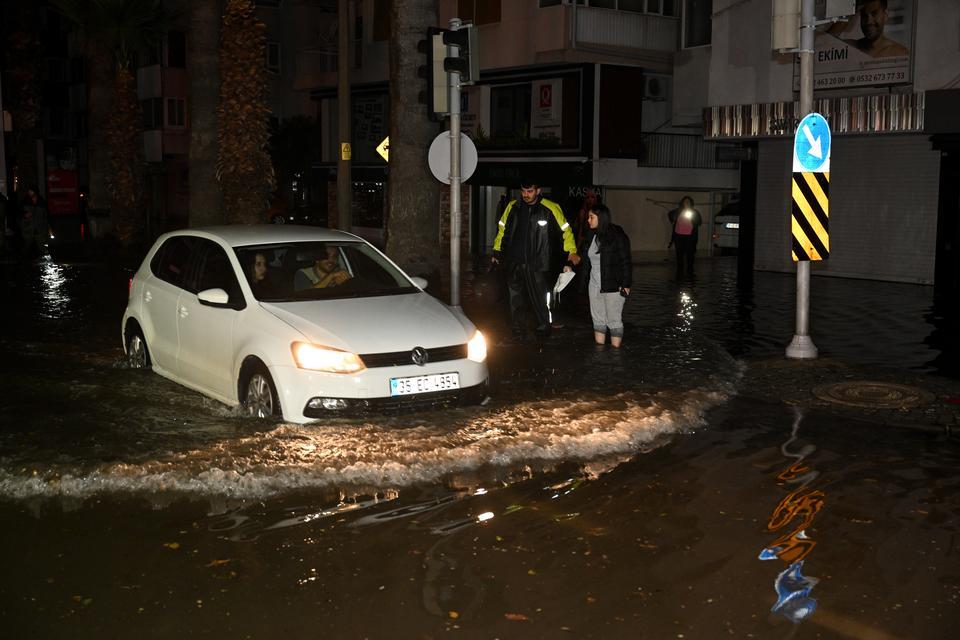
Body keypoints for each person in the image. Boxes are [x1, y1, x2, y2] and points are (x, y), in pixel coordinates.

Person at [492, 180, 580, 337]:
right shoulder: (513, 207)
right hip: (514, 262)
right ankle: (518, 329)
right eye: (523, 191)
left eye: (530, 191)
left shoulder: (551, 208)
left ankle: (543, 328)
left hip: (538, 264)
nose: (526, 195)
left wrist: (571, 252)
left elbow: (566, 231)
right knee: (515, 299)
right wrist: (496, 252)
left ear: (538, 191)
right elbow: (502, 229)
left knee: (540, 298)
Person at [570, 204, 632, 347]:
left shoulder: (617, 234)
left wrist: (626, 284)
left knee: (613, 319)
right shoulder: (591, 235)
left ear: (601, 218)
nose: (588, 220)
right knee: (598, 319)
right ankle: (600, 354)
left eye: (591, 217)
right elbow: (581, 256)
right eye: (588, 217)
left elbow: (626, 261)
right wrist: (570, 265)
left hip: (613, 285)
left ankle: (615, 355)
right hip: (594, 285)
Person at [844, 0, 908, 58]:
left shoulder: (900, 53)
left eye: (874, 13)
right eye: (864, 15)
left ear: (885, 15)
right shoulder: (847, 47)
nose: (868, 21)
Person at [667, 195, 702, 279]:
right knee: (679, 255)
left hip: (690, 237)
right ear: (682, 203)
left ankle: (690, 272)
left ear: (691, 203)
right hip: (678, 236)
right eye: (685, 201)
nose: (686, 203)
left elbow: (699, 222)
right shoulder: (679, 211)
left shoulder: (694, 212)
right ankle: (679, 273)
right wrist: (672, 220)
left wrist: (693, 217)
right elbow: (670, 214)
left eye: (688, 202)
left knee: (690, 255)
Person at [20, 187, 49, 259]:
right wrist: (24, 214)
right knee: (27, 245)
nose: (29, 193)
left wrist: (47, 227)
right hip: (28, 228)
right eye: (29, 191)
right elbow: (18, 212)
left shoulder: (42, 202)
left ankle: (45, 259)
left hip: (39, 228)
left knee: (42, 246)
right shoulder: (24, 202)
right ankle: (25, 260)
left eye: (31, 191)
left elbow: (46, 215)